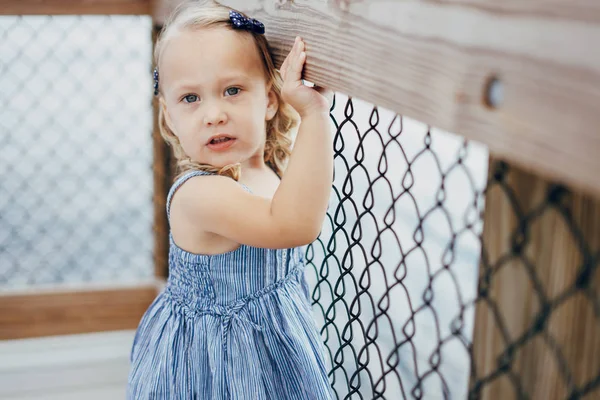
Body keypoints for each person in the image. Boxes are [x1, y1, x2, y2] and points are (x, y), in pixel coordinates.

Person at [127, 1, 334, 399]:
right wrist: (314, 114)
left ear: (270, 100)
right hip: (215, 362)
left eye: (233, 90)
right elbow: (295, 225)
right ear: (169, 117)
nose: (214, 114)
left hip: (270, 341)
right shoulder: (201, 194)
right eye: (191, 99)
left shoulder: (261, 168)